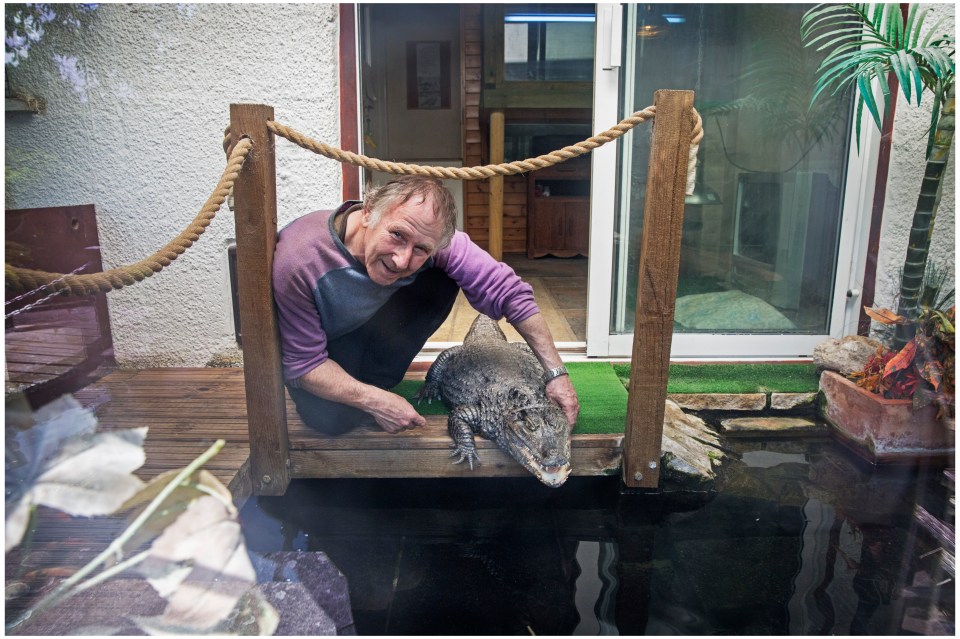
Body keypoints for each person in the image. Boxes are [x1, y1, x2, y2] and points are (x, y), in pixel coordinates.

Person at [273, 174, 580, 436]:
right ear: (368, 213)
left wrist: (557, 374)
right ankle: (373, 391)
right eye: (396, 235)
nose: (402, 259)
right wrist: (375, 401)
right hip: (327, 349)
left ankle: (381, 379)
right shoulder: (299, 260)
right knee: (330, 421)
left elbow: (511, 293)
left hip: (371, 327)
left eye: (421, 248)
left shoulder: (432, 238)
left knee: (441, 276)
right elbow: (305, 365)